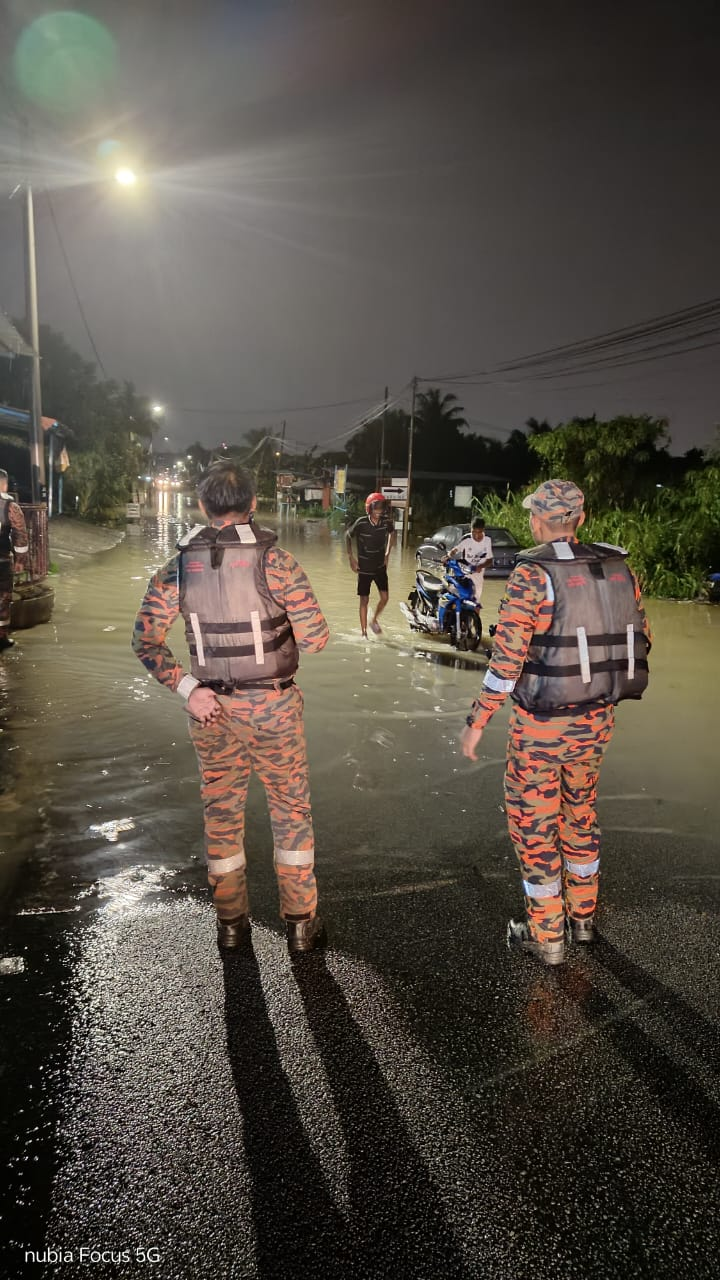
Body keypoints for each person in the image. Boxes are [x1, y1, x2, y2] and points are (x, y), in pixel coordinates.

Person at [132, 461, 330, 954]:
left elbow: (145, 641)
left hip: (210, 711)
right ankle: (302, 925)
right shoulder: (277, 562)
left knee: (221, 815)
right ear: (253, 505)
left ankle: (231, 926)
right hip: (274, 709)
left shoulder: (179, 566)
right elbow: (318, 639)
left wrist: (187, 688)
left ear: (202, 506)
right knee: (291, 813)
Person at [460, 478, 651, 967]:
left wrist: (477, 720)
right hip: (598, 719)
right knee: (580, 810)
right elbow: (641, 638)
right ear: (581, 520)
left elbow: (506, 661)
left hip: (541, 726)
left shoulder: (532, 574)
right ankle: (583, 918)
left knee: (534, 824)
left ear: (536, 520)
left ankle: (547, 934)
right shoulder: (620, 569)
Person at [345, 492, 397, 636]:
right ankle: (364, 633)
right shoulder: (361, 523)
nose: (379, 512)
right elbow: (347, 536)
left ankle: (373, 620)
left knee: (385, 598)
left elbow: (393, 534)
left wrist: (387, 553)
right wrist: (351, 558)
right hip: (364, 568)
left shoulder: (386, 522)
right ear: (369, 508)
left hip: (380, 567)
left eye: (381, 508)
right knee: (364, 600)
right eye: (376, 508)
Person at [0, 469, 29, 653]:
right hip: (1, 562)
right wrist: (20, 560)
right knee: (3, 599)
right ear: (5, 484)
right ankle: (1, 639)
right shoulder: (9, 506)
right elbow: (20, 536)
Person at [447, 517, 493, 602]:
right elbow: (455, 549)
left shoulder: (487, 541)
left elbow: (490, 560)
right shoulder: (467, 540)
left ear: (483, 530)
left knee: (476, 603)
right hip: (464, 576)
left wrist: (480, 566)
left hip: (477, 579)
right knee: (455, 599)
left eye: (479, 532)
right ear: (471, 530)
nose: (476, 535)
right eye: (473, 532)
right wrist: (449, 555)